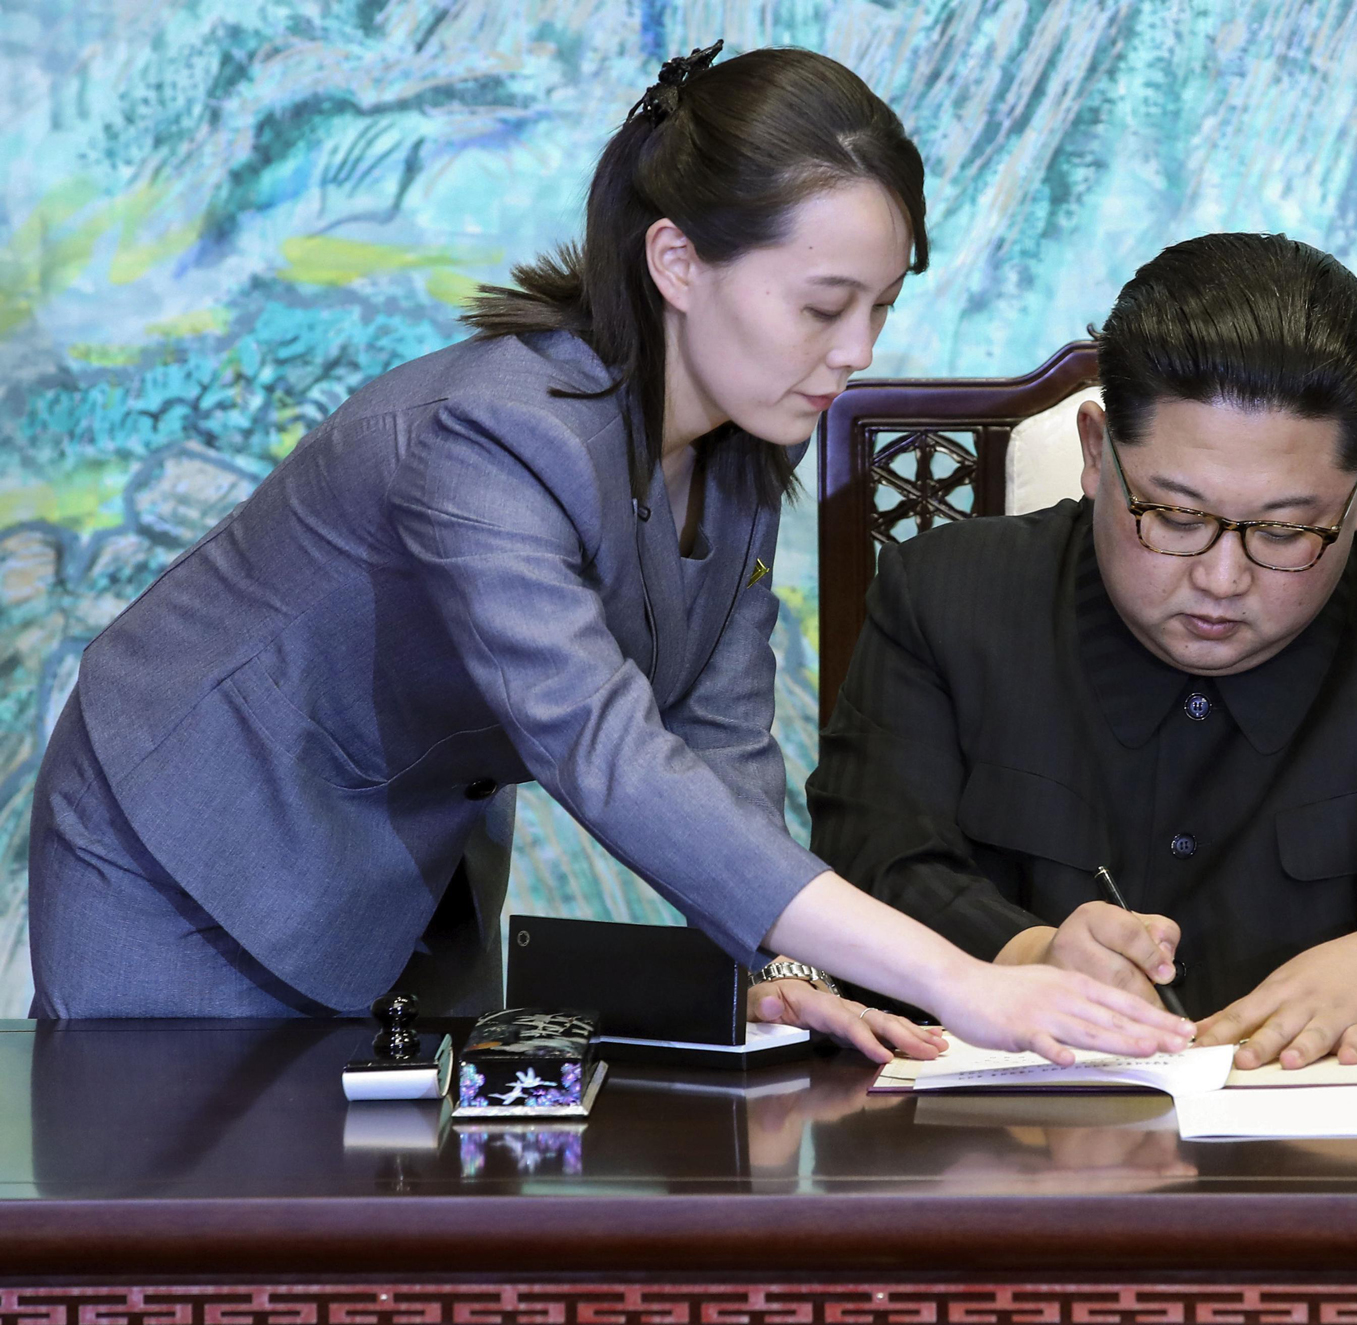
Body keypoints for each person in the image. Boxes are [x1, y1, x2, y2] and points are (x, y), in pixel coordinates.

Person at [27, 44, 1190, 1068]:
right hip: (191, 842)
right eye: (822, 306)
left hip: (397, 862)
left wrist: (779, 966)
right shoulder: (493, 436)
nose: (856, 351)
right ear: (675, 262)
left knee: (401, 1219)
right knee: (181, 1224)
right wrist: (959, 979)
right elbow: (603, 750)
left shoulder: (743, 446)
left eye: (879, 307)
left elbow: (721, 739)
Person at [806, 233, 1357, 1071]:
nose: (1222, 579)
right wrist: (1027, 958)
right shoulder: (945, 599)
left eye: (1285, 529)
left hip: (1348, 1135)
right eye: (1176, 517)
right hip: (1026, 1131)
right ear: (1095, 452)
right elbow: (868, 864)